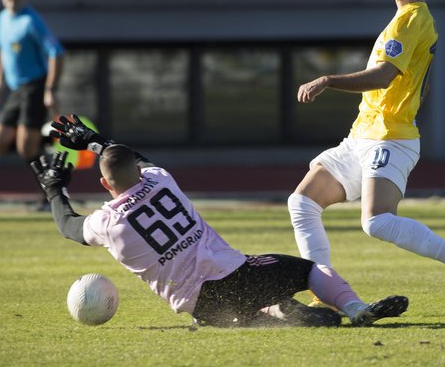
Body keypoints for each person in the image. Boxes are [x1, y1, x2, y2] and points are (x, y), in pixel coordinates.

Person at [288, 0, 445, 316]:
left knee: (378, 223)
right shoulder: (410, 19)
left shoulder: (410, 20)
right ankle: (325, 293)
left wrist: (327, 80)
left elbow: (384, 76)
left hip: (390, 139)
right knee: (302, 202)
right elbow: (422, 82)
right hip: (361, 137)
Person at [31, 114, 410, 328]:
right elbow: (136, 158)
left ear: (102, 184)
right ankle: (356, 309)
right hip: (234, 275)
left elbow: (68, 226)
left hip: (200, 307)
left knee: (249, 313)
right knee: (308, 269)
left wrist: (54, 188)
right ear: (138, 170)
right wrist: (96, 141)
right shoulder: (162, 180)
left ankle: (282, 313)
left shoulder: (107, 224)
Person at [0, 0, 64, 211]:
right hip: (15, 89)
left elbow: (57, 53)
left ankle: (50, 196)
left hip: (35, 86)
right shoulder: (2, 18)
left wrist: (50, 89)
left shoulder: (31, 20)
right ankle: (44, 145)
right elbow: (4, 50)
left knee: (25, 148)